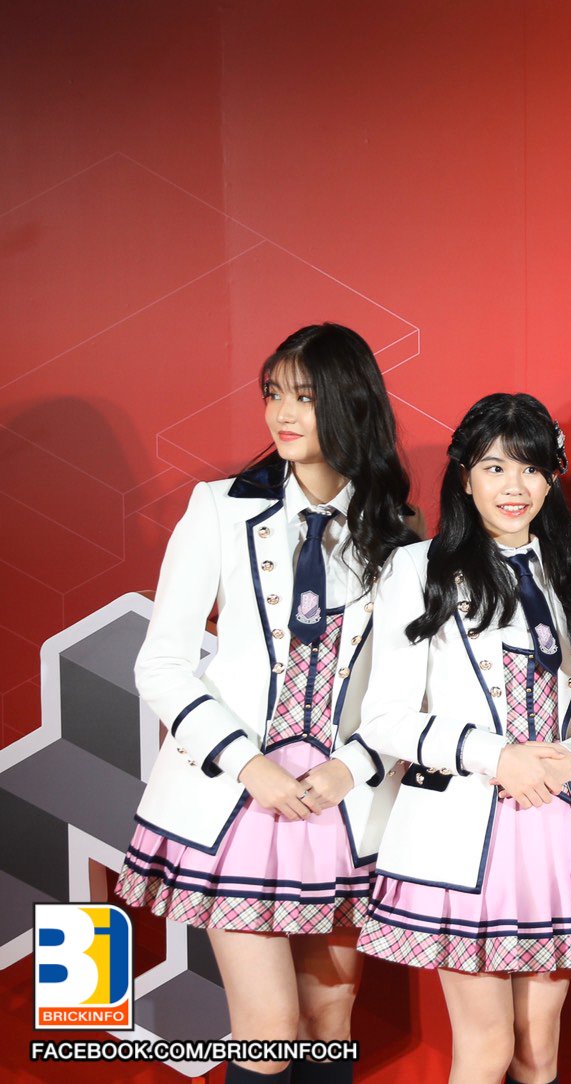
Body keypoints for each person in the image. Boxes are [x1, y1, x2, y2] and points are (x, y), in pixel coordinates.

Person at [118, 323, 415, 1084]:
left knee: (330, 1019)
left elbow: (405, 691)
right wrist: (250, 768)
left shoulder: (398, 534)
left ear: (351, 403)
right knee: (269, 1030)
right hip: (235, 803)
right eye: (273, 393)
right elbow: (164, 663)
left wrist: (350, 769)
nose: (282, 413)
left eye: (305, 396)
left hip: (344, 808)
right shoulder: (219, 508)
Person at [356, 393, 571, 1084]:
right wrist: (495, 756)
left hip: (555, 829)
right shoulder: (416, 569)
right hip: (462, 831)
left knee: (539, 1049)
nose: (513, 486)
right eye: (494, 468)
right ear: (464, 477)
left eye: (530, 468)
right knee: (487, 1046)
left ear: (551, 479)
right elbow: (384, 718)